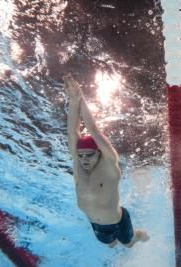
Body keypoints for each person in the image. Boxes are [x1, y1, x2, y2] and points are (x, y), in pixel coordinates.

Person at [63, 73, 149, 248]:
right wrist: (72, 100)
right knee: (110, 245)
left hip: (118, 222)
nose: (84, 159)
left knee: (129, 243)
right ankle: (115, 241)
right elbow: (73, 133)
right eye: (81, 155)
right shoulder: (79, 165)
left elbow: (93, 129)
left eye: (89, 154)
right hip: (96, 225)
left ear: (99, 152)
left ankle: (139, 235)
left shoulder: (109, 163)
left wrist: (79, 97)